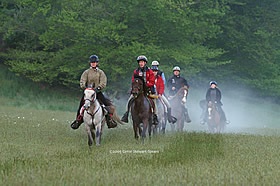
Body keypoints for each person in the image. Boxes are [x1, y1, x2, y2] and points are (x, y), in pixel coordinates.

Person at [70, 54, 117, 130]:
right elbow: (82, 81)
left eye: (94, 62)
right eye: (92, 62)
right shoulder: (86, 72)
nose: (93, 63)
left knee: (107, 104)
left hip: (97, 92)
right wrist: (85, 88)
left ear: (97, 63)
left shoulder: (101, 73)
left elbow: (103, 82)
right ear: (90, 63)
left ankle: (110, 121)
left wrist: (98, 88)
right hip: (88, 93)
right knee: (81, 106)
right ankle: (77, 121)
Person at [121, 55, 159, 125]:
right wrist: (135, 87)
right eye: (140, 62)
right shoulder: (136, 71)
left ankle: (154, 116)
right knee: (130, 100)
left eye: (142, 62)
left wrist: (146, 84)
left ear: (145, 63)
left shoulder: (149, 71)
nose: (141, 63)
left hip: (147, 90)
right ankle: (126, 114)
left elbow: (152, 81)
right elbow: (133, 80)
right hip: (138, 90)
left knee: (153, 102)